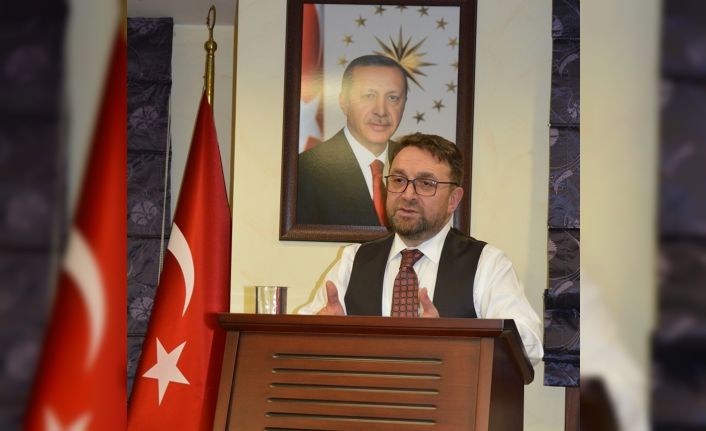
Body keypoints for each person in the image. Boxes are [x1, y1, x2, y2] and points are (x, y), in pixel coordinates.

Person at [299, 133, 543, 365]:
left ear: (453, 199)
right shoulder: (353, 260)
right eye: (398, 180)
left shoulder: (487, 263)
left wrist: (452, 341)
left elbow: (529, 345)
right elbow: (294, 337)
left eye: (426, 184)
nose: (408, 194)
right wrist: (322, 334)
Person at [297, 55, 408, 226]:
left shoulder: (417, 165)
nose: (381, 111)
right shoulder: (304, 171)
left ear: (404, 103)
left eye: (393, 98)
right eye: (369, 96)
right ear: (344, 103)